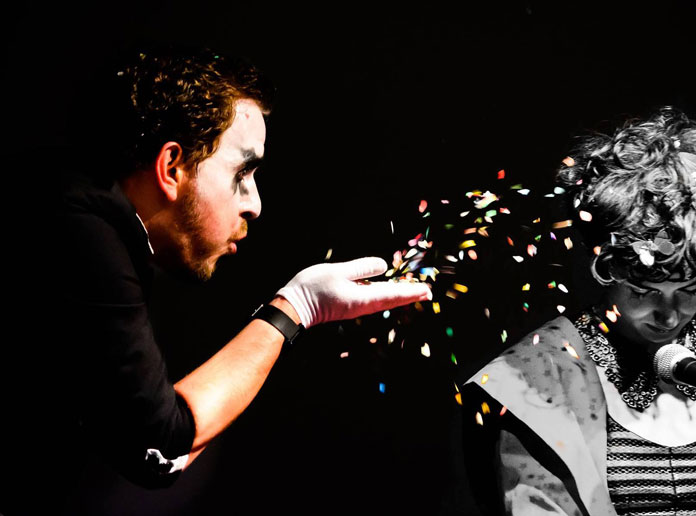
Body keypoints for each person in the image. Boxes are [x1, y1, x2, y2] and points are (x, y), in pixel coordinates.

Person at [1, 46, 431, 515]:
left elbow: (142, 451)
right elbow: (161, 445)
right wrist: (297, 308)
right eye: (242, 171)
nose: (255, 204)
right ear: (172, 167)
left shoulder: (81, 212)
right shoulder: (80, 233)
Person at [461, 107, 696, 516]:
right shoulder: (536, 377)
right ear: (606, 271)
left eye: (690, 288)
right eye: (644, 290)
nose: (669, 314)